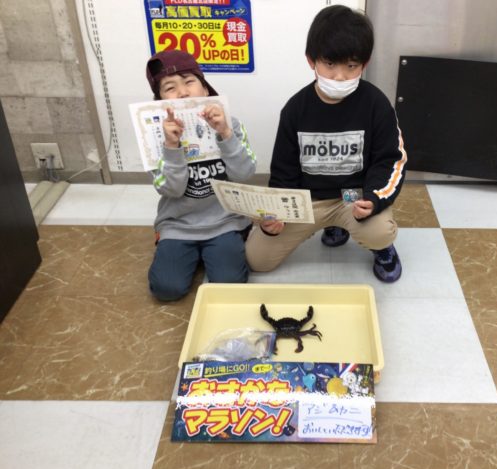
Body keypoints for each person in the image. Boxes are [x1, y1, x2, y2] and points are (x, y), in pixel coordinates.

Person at [245, 5, 407, 282]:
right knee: (257, 259)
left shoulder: (377, 105)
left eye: (351, 66)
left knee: (380, 232)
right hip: (308, 200)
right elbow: (284, 170)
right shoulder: (295, 109)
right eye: (330, 64)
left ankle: (381, 248)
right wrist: (278, 214)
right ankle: (334, 226)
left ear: (364, 64)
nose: (340, 76)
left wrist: (374, 199)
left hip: (352, 197)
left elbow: (390, 160)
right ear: (312, 61)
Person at [145, 49, 256, 301]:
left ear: (205, 89)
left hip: (225, 221)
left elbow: (245, 174)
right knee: (166, 289)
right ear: (160, 100)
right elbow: (171, 189)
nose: (183, 92)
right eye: (170, 88)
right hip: (178, 224)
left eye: (189, 81)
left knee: (229, 285)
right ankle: (186, 253)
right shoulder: (155, 135)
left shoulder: (230, 124)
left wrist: (225, 134)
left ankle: (211, 253)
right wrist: (171, 147)